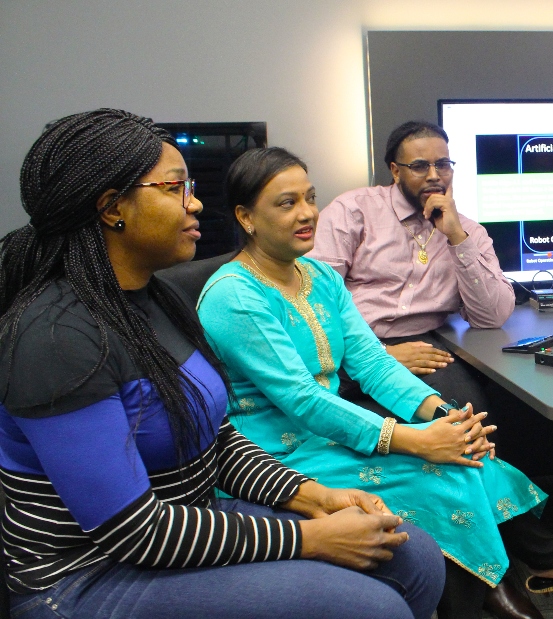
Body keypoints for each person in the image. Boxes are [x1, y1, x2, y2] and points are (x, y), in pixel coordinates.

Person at [0, 109, 445, 619]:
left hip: (187, 523)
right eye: (174, 188)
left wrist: (311, 496)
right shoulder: (56, 338)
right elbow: (131, 530)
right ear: (111, 208)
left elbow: (215, 435)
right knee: (372, 607)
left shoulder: (158, 299)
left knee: (413, 555)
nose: (196, 202)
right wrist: (308, 537)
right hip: (92, 574)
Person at [197, 147, 553, 619]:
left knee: (466, 454)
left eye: (310, 197)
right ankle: (494, 590)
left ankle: (490, 589)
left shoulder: (317, 275)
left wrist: (446, 419)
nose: (307, 214)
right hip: (270, 453)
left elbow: (372, 364)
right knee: (445, 475)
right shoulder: (233, 295)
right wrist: (419, 443)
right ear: (245, 217)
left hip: (325, 430)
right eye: (286, 203)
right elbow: (303, 398)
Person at [308, 121, 513, 415]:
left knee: (468, 415)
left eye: (442, 165)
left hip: (422, 344)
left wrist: (456, 238)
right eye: (419, 166)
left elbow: (492, 317)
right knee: (366, 422)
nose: (434, 176)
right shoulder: (353, 211)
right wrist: (379, 355)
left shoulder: (468, 232)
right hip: (347, 344)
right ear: (395, 171)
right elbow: (316, 302)